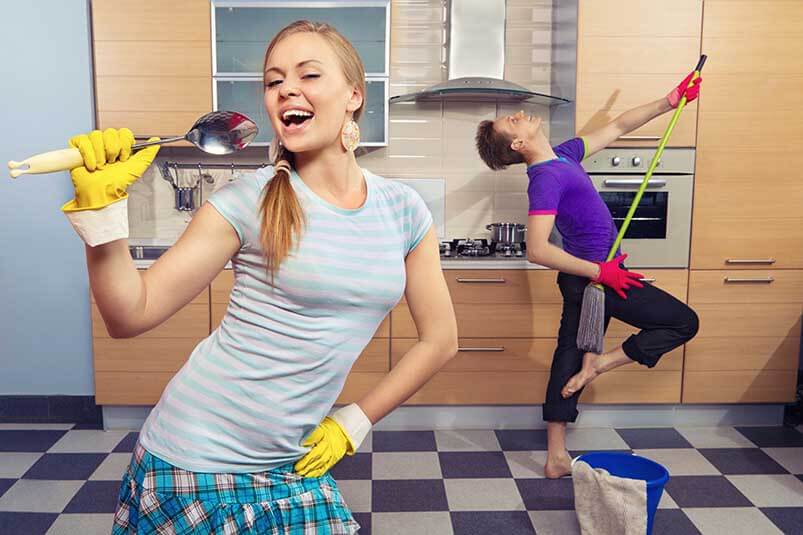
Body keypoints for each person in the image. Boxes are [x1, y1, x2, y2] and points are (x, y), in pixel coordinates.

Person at [61, 20, 457, 533]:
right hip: (196, 460)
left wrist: (352, 422)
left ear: (354, 95)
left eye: (309, 75)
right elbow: (128, 315)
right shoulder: (248, 200)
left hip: (291, 461)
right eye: (274, 82)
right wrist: (102, 215)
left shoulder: (403, 209)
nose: (287, 88)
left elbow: (441, 338)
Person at [474, 73, 701, 479]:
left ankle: (556, 455)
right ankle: (599, 366)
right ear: (518, 144)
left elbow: (618, 126)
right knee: (683, 321)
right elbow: (538, 249)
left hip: (602, 275)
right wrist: (603, 273)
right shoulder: (544, 179)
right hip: (596, 278)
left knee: (569, 353)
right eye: (511, 121)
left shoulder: (563, 156)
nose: (518, 115)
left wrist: (670, 99)